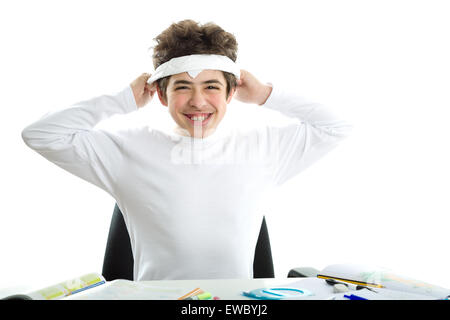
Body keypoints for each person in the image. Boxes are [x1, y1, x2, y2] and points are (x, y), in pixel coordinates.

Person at [22, 20, 351, 281]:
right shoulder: (126, 150)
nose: (198, 101)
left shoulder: (264, 147)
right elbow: (40, 134)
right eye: (182, 87)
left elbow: (337, 126)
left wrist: (266, 93)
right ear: (162, 96)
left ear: (231, 92)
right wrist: (121, 100)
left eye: (211, 86)